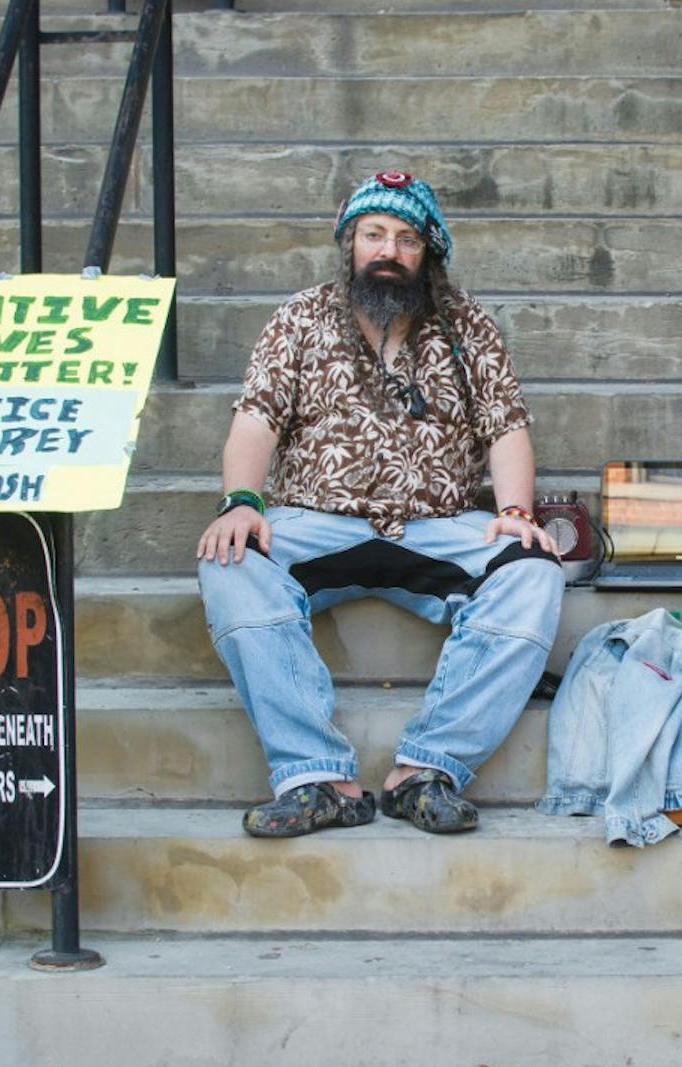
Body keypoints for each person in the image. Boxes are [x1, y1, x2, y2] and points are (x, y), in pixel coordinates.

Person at [197, 170, 563, 838]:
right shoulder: (300, 318)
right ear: (350, 243)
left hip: (439, 526)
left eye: (405, 237)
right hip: (315, 524)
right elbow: (255, 421)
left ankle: (427, 770)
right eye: (373, 234)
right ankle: (316, 776)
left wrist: (514, 512)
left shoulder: (467, 324)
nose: (388, 250)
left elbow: (506, 426)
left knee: (534, 573)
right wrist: (242, 501)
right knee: (229, 561)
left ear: (428, 253)